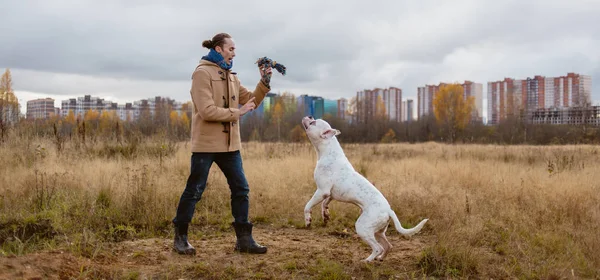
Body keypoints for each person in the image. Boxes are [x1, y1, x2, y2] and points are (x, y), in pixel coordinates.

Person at [172, 32, 273, 255]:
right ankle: (180, 238)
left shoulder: (231, 76)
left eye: (235, 49)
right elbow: (206, 111)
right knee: (195, 190)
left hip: (230, 146)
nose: (234, 52)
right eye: (231, 49)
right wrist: (237, 113)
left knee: (241, 188)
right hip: (206, 145)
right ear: (218, 49)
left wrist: (264, 81)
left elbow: (251, 100)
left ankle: (244, 240)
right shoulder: (201, 73)